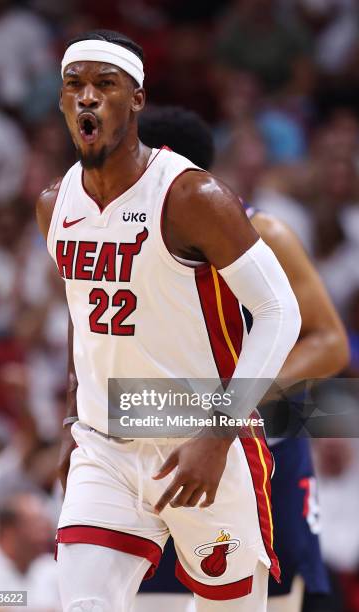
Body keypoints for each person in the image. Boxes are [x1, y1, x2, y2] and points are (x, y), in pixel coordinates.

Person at [36, 29, 301, 612]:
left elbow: (280, 311)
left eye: (105, 85)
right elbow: (87, 322)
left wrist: (218, 431)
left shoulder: (191, 195)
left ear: (136, 100)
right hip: (104, 445)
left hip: (201, 438)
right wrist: (72, 420)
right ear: (60, 101)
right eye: (74, 85)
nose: (87, 97)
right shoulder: (54, 205)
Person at [138, 105, 349, 612]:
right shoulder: (122, 240)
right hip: (160, 445)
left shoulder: (264, 232)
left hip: (264, 448)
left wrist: (235, 403)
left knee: (271, 600)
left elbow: (329, 343)